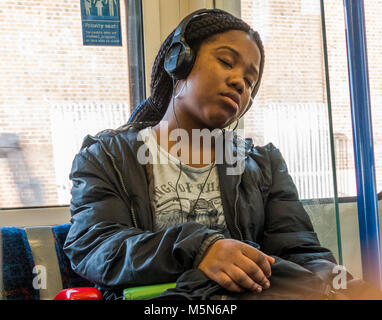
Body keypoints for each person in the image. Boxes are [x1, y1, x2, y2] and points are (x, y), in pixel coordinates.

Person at [64, 9, 375, 300]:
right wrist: (201, 248)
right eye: (226, 61)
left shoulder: (262, 164)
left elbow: (301, 253)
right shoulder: (107, 157)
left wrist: (347, 287)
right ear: (178, 62)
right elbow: (95, 247)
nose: (240, 81)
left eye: (250, 81)